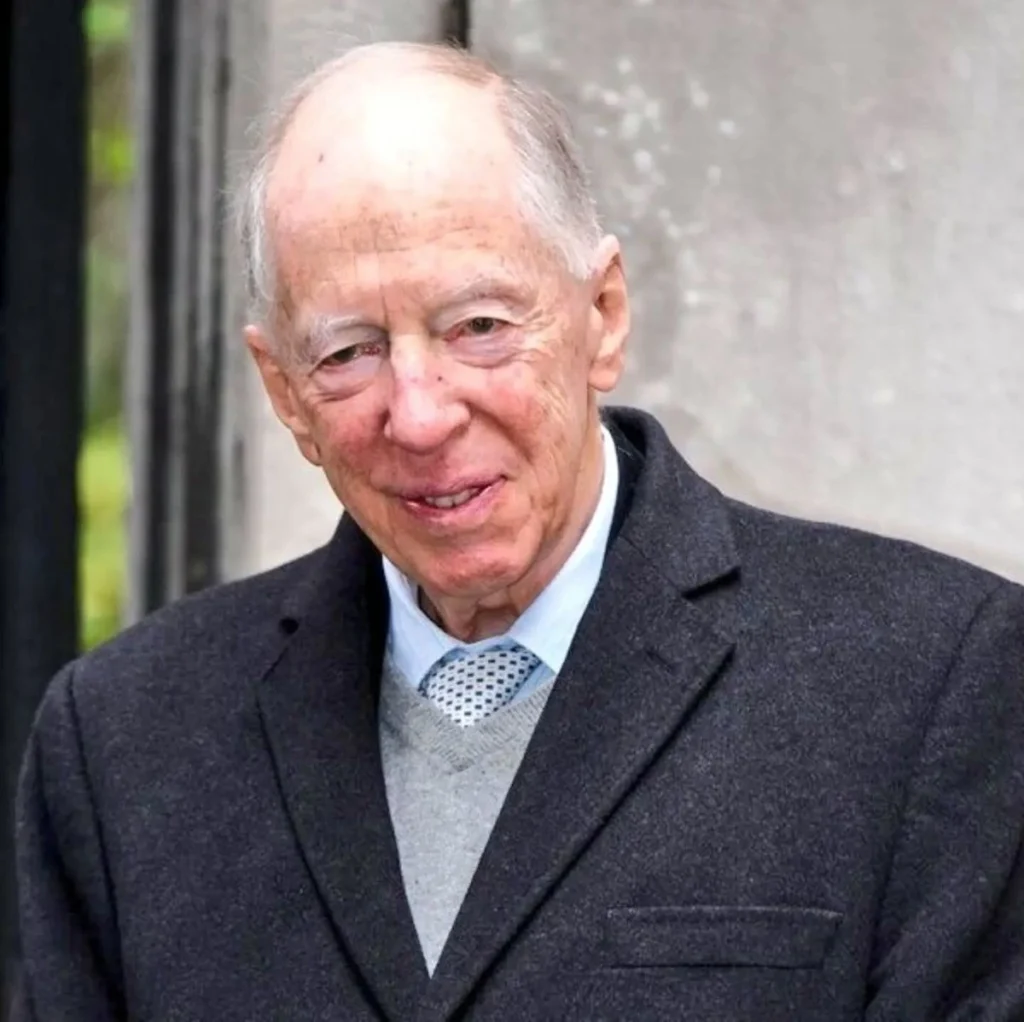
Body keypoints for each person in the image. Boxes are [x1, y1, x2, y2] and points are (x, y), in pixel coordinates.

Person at [12, 41, 1024, 1022]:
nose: (420, 415)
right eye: (350, 351)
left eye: (479, 327)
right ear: (283, 391)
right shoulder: (123, 745)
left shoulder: (931, 686)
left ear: (603, 315)